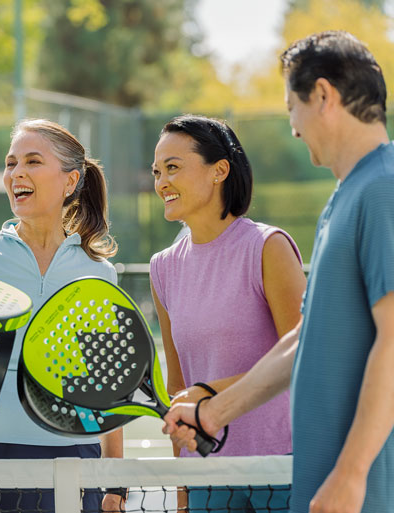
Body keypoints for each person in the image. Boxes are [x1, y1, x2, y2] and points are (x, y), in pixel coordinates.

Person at [164, 31, 394, 513]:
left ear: (322, 95)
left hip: (370, 494)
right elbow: (304, 339)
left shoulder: (388, 191)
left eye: (292, 106)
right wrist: (213, 413)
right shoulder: (348, 198)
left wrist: (351, 475)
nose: (292, 126)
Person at [0, 118, 126, 512]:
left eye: (33, 161)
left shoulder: (99, 272)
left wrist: (114, 480)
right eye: (11, 163)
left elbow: (106, 388)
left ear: (70, 182)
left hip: (67, 458)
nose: (17, 173)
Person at [150, 115, 306, 511]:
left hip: (282, 468)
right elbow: (178, 387)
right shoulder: (162, 268)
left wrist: (210, 393)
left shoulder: (268, 247)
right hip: (206, 475)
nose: (161, 182)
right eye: (156, 172)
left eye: (173, 168)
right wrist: (183, 486)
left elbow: (306, 358)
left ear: (219, 170)